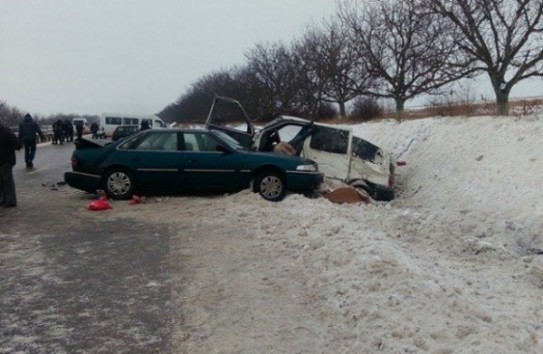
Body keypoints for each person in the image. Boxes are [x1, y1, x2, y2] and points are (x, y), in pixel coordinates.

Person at [0, 122, 22, 208]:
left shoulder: (5, 132)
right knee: (2, 180)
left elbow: (17, 144)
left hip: (6, 160)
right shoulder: (5, 131)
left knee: (7, 180)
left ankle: (11, 200)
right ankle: (4, 199)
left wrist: (8, 150)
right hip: (3, 159)